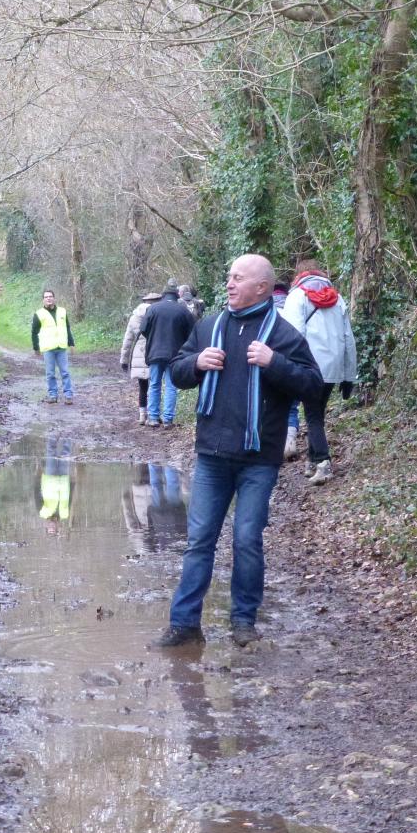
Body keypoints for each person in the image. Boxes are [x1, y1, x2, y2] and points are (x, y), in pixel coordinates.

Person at [153, 254, 322, 649]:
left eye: (237, 278)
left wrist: (274, 363)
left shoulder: (282, 335)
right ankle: (184, 624)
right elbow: (177, 372)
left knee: (247, 539)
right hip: (212, 454)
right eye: (228, 276)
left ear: (262, 287)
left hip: (259, 459)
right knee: (199, 540)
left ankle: (243, 620)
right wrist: (196, 362)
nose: (229, 284)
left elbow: (313, 386)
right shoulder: (209, 326)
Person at [281, 260, 358, 486]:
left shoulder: (296, 297)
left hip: (309, 366)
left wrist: (288, 369)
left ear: (299, 275)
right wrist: (348, 375)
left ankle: (323, 462)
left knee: (313, 414)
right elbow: (348, 338)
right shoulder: (338, 298)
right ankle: (312, 460)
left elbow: (293, 336)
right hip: (333, 366)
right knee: (317, 412)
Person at [139, 279, 196, 428]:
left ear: (163, 296)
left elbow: (144, 329)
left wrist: (154, 338)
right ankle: (168, 419)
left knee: (155, 384)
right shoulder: (183, 310)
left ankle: (152, 417)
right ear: (177, 295)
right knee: (171, 385)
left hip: (155, 352)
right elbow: (191, 333)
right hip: (175, 354)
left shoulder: (152, 309)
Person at [120, 291, 161, 424]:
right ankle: (153, 414)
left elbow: (128, 340)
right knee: (155, 385)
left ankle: (142, 415)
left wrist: (124, 360)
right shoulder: (158, 316)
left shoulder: (135, 317)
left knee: (143, 387)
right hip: (154, 353)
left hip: (139, 354)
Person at [31, 289, 74, 404]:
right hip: (48, 348)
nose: (48, 298)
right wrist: (36, 347)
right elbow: (34, 332)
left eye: (50, 296)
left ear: (54, 298)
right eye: (46, 297)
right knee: (50, 373)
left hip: (61, 347)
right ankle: (52, 395)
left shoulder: (62, 311)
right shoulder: (39, 314)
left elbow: (68, 327)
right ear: (43, 300)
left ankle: (68, 395)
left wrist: (71, 343)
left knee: (65, 372)